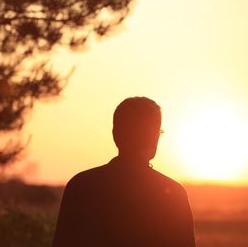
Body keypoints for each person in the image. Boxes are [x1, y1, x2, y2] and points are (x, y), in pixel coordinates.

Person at [52, 97, 196, 247]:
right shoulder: (173, 194)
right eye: (157, 132)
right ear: (154, 137)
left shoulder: (80, 185)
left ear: (115, 134)